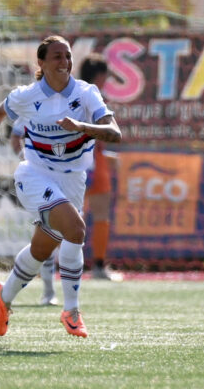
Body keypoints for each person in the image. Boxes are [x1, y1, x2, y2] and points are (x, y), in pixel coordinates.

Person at [0, 35, 121, 338]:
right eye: (56, 57)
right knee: (76, 231)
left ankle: (5, 296)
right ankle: (72, 311)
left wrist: (83, 126)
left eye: (67, 56)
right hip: (35, 175)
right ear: (41, 62)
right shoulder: (26, 95)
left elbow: (114, 132)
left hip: (73, 179)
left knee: (42, 249)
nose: (64, 62)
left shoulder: (86, 93)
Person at [78, 54, 119, 280]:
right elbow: (103, 134)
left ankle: (69, 265)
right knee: (94, 214)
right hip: (86, 163)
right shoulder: (94, 99)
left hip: (80, 161)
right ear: (100, 76)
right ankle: (98, 266)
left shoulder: (70, 95)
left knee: (76, 215)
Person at [10, 118, 58, 305]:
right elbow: (15, 137)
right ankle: (49, 292)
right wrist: (26, 158)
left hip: (69, 178)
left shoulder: (76, 102)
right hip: (41, 181)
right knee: (50, 233)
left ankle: (68, 300)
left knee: (70, 236)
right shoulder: (31, 102)